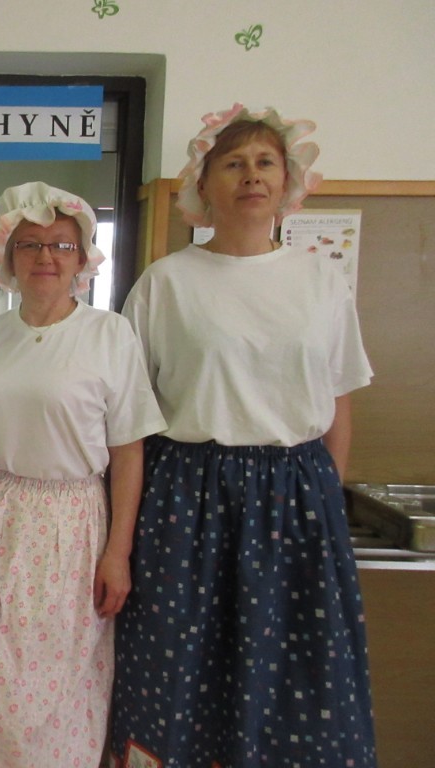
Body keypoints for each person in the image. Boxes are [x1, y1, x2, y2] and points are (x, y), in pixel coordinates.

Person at [110, 104, 377, 767]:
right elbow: (129, 417)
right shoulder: (165, 283)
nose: (251, 175)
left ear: (288, 181)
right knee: (176, 668)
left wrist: (326, 502)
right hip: (187, 497)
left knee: (296, 677)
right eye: (233, 163)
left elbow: (338, 402)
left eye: (265, 162)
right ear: (203, 184)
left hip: (296, 498)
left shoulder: (320, 280)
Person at [0, 182, 166, 767]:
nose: (46, 256)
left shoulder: (110, 334)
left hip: (70, 525)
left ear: (82, 259)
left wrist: (118, 552)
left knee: (57, 682)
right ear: (8, 257)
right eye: (29, 244)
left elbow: (129, 452)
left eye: (61, 245)